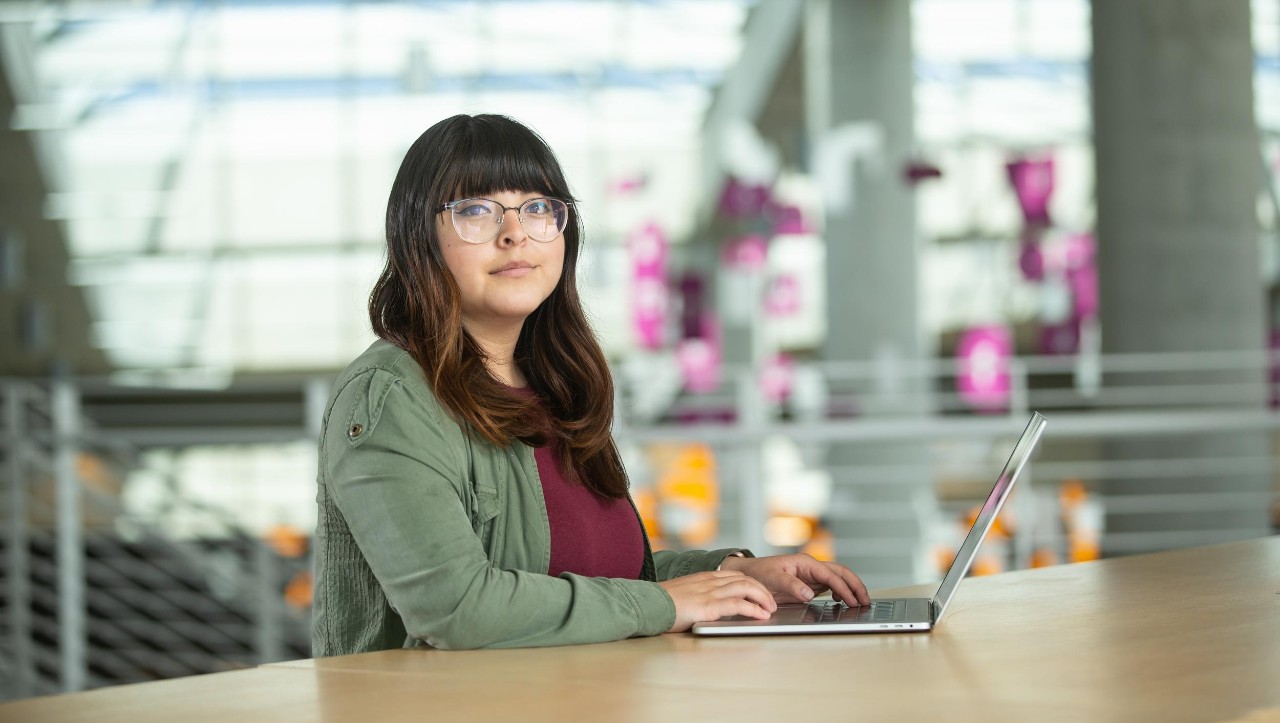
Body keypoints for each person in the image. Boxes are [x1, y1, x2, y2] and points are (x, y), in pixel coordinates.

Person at [312, 113, 869, 655]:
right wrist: (668, 605)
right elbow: (458, 609)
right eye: (476, 211)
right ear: (417, 238)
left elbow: (597, 578)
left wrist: (729, 575)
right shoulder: (391, 396)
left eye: (537, 209)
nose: (515, 234)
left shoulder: (556, 383)